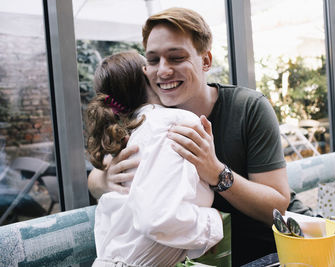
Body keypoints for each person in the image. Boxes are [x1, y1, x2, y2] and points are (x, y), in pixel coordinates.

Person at [88, 8, 291, 265]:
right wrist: (106, 178)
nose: (162, 71)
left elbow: (277, 206)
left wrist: (216, 173)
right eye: (153, 60)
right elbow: (96, 177)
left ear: (205, 61)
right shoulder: (145, 121)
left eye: (176, 58)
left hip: (260, 254)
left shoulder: (249, 108)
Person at [86, 50, 223, 267]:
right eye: (151, 63)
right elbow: (157, 219)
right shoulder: (174, 122)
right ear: (147, 77)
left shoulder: (131, 137)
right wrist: (213, 221)